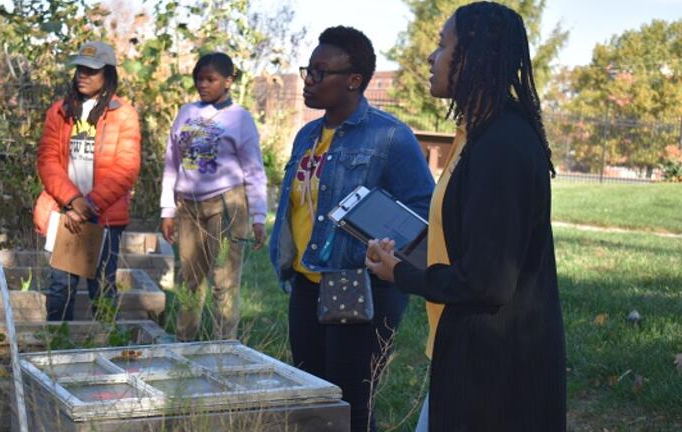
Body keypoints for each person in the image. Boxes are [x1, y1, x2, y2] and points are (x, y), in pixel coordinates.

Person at [365, 2, 567, 431]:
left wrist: (402, 274)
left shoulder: (502, 145)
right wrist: (412, 255)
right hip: (467, 353)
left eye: (442, 45)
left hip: (495, 375)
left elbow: (488, 280)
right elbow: (470, 237)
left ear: (474, 56)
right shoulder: (477, 133)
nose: (430, 56)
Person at [268, 26, 435, 432]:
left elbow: (424, 207)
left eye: (321, 72)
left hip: (360, 288)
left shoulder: (390, 136)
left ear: (354, 80)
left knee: (350, 404)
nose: (309, 79)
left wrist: (380, 248)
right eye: (309, 69)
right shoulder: (306, 135)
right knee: (312, 397)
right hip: (306, 285)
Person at [160, 52, 267, 342]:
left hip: (226, 205)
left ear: (229, 81)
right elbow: (172, 162)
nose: (203, 85)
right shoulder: (186, 113)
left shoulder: (240, 119)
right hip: (188, 206)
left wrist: (258, 215)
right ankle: (184, 342)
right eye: (199, 79)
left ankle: (224, 348)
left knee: (224, 280)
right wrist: (167, 209)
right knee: (188, 278)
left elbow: (254, 170)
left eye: (211, 79)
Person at [33, 41, 141, 321]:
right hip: (65, 213)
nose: (83, 75)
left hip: (102, 215)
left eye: (91, 70)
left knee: (102, 289)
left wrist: (89, 205)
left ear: (108, 74)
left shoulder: (124, 115)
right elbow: (47, 161)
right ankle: (57, 353)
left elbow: (126, 168)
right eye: (80, 68)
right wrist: (72, 201)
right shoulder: (59, 111)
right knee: (60, 289)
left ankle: (105, 351)